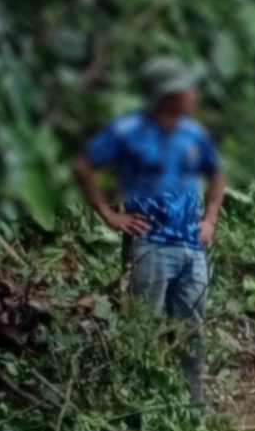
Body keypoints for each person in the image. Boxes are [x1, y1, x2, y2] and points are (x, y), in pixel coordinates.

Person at [81, 63, 224, 401]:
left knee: (191, 328)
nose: (195, 95)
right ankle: (135, 399)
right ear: (166, 94)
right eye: (187, 89)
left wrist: (210, 220)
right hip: (149, 244)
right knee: (141, 325)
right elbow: (84, 166)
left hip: (191, 246)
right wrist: (109, 216)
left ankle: (193, 402)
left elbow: (216, 174)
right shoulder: (128, 130)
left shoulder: (194, 134)